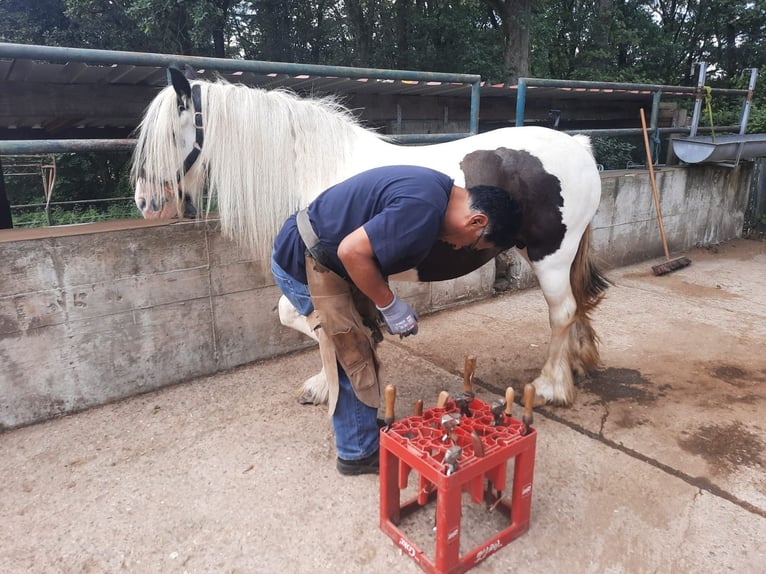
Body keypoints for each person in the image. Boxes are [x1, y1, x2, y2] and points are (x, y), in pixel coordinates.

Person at [271, 165, 522, 475]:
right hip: (305, 262)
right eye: (472, 243)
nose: (459, 247)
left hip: (322, 255)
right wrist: (390, 305)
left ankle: (360, 427)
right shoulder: (423, 210)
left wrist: (385, 304)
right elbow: (352, 252)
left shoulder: (435, 188)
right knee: (350, 351)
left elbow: (366, 249)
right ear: (477, 220)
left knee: (362, 338)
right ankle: (356, 453)